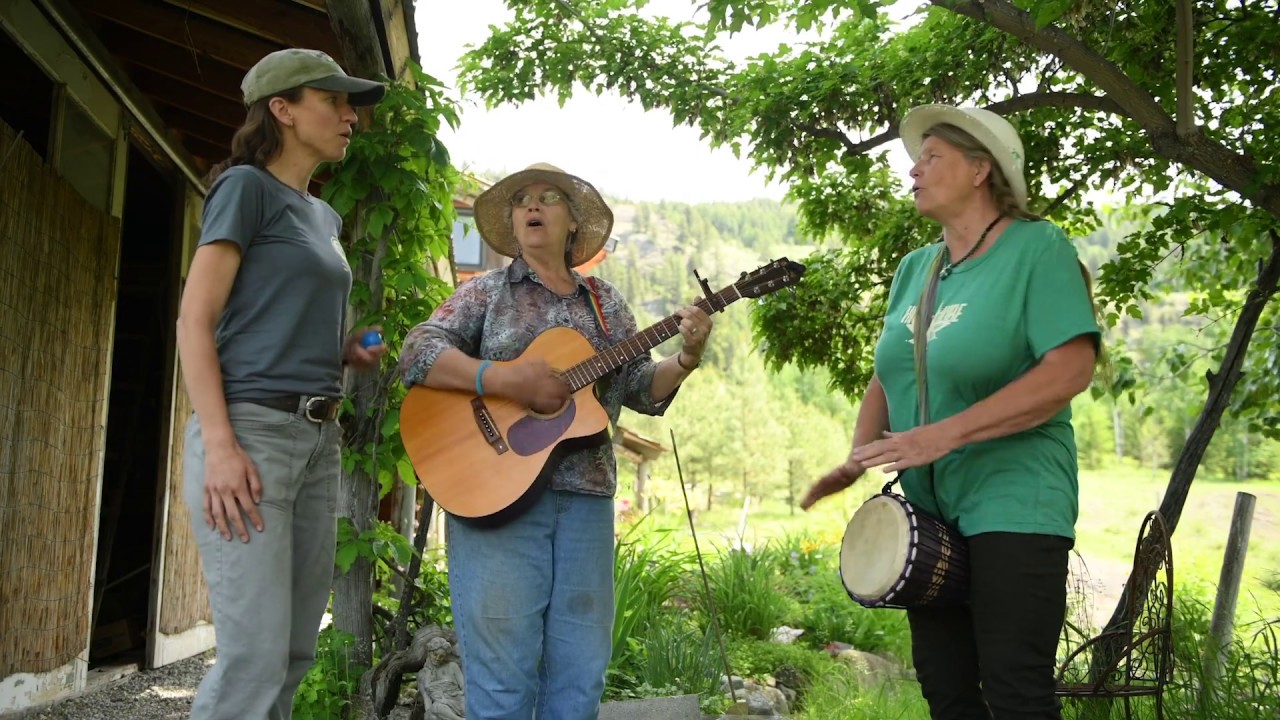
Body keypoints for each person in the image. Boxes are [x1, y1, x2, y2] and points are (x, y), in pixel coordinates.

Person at [801, 105, 1101, 720]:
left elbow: (1070, 370)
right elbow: (893, 371)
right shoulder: (917, 268)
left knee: (1015, 692)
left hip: (1017, 497)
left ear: (979, 170)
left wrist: (942, 436)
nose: (914, 169)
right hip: (932, 511)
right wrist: (860, 457)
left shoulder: (1036, 248)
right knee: (948, 693)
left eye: (932, 156)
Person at [397, 162, 713, 719]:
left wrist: (685, 358)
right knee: (501, 679)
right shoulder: (487, 294)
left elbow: (639, 386)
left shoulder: (606, 303)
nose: (533, 207)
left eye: (548, 198)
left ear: (573, 223)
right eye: (523, 200)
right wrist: (502, 378)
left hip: (586, 501)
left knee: (579, 677)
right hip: (494, 495)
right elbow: (418, 350)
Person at [175, 48, 388, 720]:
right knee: (254, 658)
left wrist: (348, 350)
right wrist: (221, 443)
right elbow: (194, 320)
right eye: (334, 100)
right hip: (250, 436)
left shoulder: (321, 218)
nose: (350, 115)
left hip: (316, 441)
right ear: (283, 109)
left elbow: (278, 321)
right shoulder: (244, 188)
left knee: (294, 653)